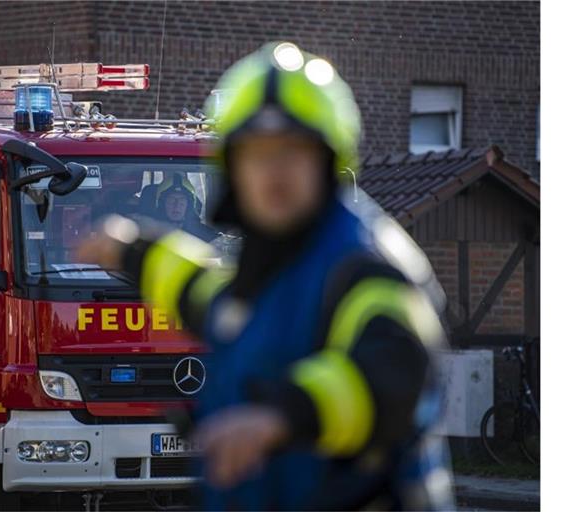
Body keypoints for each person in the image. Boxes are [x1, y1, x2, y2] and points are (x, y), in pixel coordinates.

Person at [78, 42, 454, 511]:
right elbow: (212, 301)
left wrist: (282, 416)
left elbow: (393, 367)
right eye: (257, 154)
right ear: (233, 169)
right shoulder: (272, 266)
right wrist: (134, 251)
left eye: (292, 151)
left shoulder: (366, 265)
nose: (274, 172)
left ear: (326, 160)